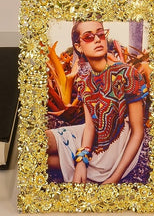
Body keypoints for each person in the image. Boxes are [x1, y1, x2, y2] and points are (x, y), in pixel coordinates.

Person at [46, 21, 148, 184]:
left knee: (46, 160)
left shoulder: (128, 74)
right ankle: (79, 164)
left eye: (100, 34)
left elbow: (138, 132)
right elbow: (90, 125)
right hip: (88, 138)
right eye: (88, 36)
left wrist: (114, 178)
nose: (97, 39)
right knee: (38, 142)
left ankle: (93, 169)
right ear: (78, 47)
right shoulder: (84, 81)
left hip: (117, 150)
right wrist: (81, 160)